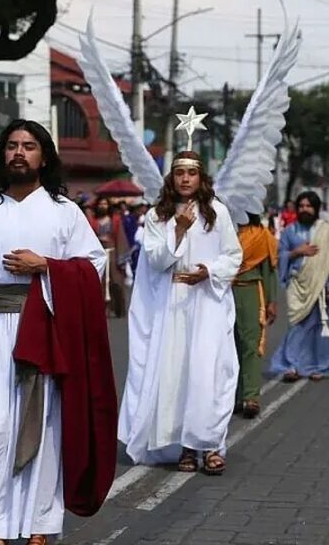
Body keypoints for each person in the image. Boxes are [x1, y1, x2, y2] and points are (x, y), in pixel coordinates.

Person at [0, 119, 117, 544]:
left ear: (44, 156)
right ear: (2, 154)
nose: (19, 152)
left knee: (45, 426)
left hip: (46, 328)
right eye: (12, 145)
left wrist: (47, 267)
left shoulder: (64, 211)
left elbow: (93, 266)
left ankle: (40, 525)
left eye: (29, 146)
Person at [119, 151, 243, 475]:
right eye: (180, 173)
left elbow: (233, 255)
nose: (185, 179)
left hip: (207, 301)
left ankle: (213, 445)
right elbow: (156, 260)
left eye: (191, 173)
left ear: (201, 178)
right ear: (171, 179)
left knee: (208, 373)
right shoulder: (157, 216)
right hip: (172, 304)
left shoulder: (217, 212)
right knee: (176, 375)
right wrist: (179, 229)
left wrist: (210, 271)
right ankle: (186, 447)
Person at [269, 191, 329, 382]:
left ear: (316, 209)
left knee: (321, 328)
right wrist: (297, 252)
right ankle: (291, 365)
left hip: (322, 286)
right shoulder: (289, 231)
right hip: (298, 285)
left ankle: (319, 366)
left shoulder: (327, 231)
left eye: (309, 206)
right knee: (297, 327)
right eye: (301, 206)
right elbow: (280, 256)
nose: (304, 209)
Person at [232, 213, 278, 419]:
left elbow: (269, 271)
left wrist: (271, 301)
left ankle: (250, 396)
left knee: (250, 344)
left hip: (251, 290)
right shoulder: (222, 231)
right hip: (223, 293)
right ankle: (233, 397)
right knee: (228, 348)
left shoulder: (261, 234)